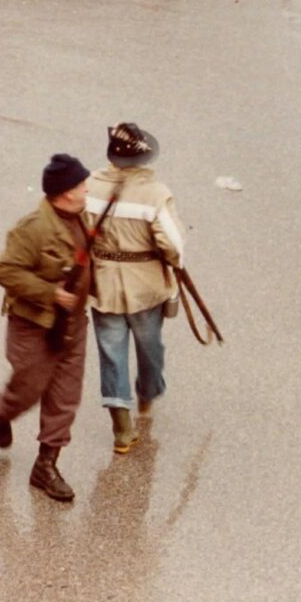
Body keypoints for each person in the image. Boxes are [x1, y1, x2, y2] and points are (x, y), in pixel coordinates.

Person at [0, 153, 91, 501]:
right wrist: (51, 293)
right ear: (64, 193)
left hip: (74, 324)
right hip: (34, 324)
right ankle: (1, 409)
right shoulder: (33, 229)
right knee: (29, 387)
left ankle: (45, 465)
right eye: (80, 184)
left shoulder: (86, 218)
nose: (86, 188)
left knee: (65, 396)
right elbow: (6, 271)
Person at [86, 124, 184, 453]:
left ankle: (121, 429)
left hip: (103, 283)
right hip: (145, 285)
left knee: (111, 355)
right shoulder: (156, 193)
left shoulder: (89, 187)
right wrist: (175, 262)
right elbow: (173, 245)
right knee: (150, 347)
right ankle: (148, 391)